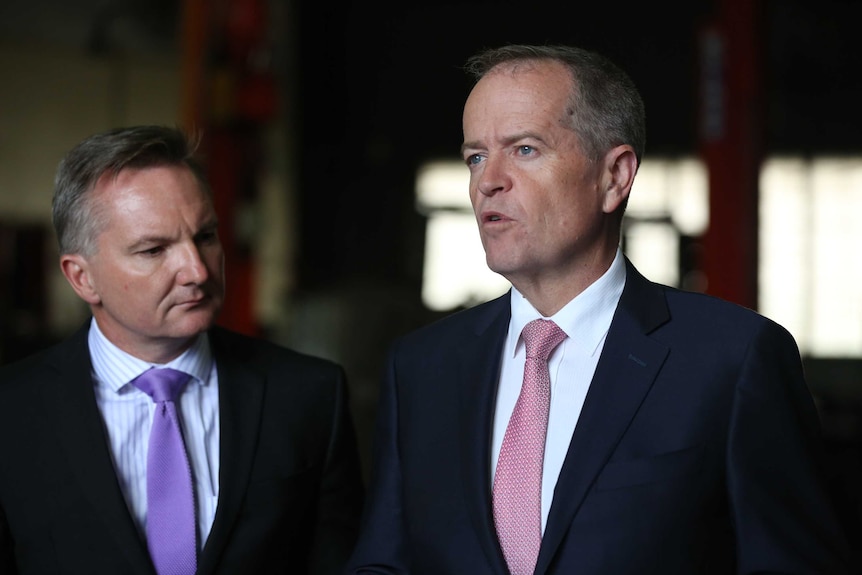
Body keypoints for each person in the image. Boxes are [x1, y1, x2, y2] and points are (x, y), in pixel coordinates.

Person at [346, 44, 851, 574]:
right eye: (475, 156)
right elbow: (385, 562)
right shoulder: (422, 367)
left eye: (524, 149)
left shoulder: (732, 360)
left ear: (614, 177)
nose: (487, 180)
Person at [0, 125, 364, 575]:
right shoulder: (12, 412)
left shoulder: (309, 395)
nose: (196, 270)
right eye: (154, 249)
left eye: (206, 236)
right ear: (82, 278)